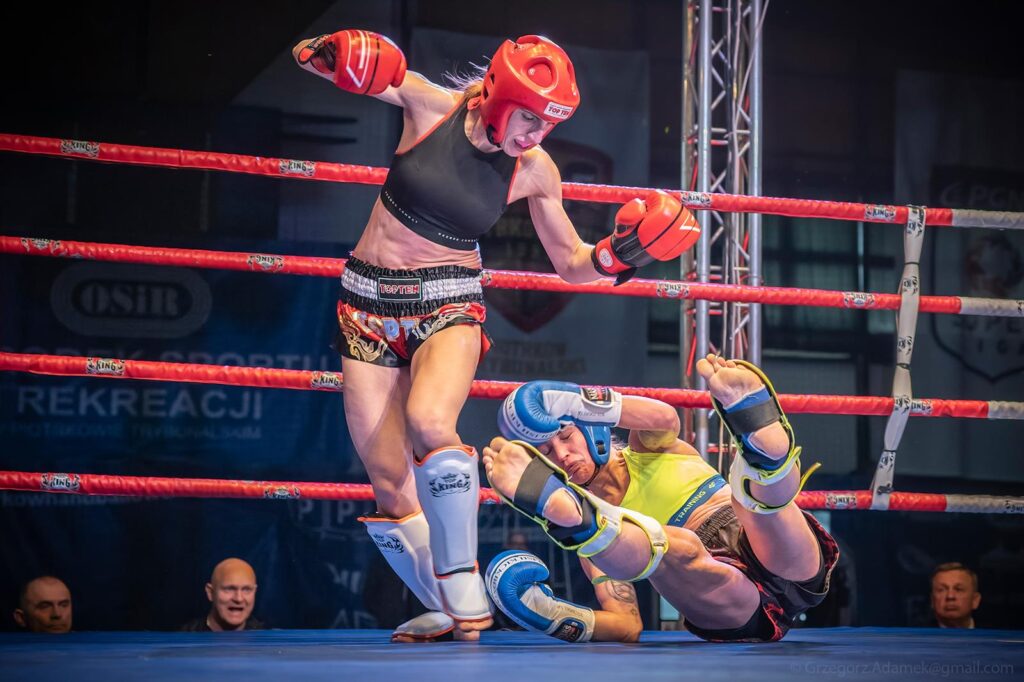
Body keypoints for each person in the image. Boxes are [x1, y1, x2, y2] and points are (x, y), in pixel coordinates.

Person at [291, 29, 700, 642]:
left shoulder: (534, 169)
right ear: (500, 98)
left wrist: (622, 255)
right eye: (530, 118)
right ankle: (442, 606)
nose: (537, 134)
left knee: (431, 421)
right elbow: (310, 58)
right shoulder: (430, 108)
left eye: (550, 123)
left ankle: (462, 575)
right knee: (387, 479)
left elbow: (572, 263)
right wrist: (329, 52)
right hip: (364, 302)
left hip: (448, 299)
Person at [483, 355, 839, 643]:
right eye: (547, 453)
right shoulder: (595, 550)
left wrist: (575, 401)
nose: (562, 455)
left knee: (753, 505)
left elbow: (665, 418)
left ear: (589, 426)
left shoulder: (647, 449)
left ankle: (766, 455)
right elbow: (626, 625)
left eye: (566, 436)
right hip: (730, 602)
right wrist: (551, 615)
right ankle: (589, 525)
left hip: (783, 552)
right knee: (678, 545)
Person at [181, 558, 266, 632]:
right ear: (210, 592)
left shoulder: (266, 640)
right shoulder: (184, 638)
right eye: (229, 589)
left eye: (246, 589)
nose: (238, 598)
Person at [930, 562, 981, 629]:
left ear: (975, 600)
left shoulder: (991, 633)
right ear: (932, 600)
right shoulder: (919, 634)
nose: (950, 596)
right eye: (941, 590)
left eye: (958, 589)